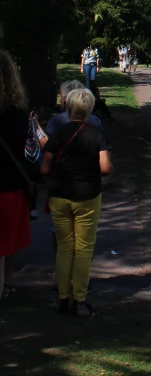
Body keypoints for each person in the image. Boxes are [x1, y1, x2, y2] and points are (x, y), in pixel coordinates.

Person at [41, 88, 113, 317]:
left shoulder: (59, 133)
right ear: (90, 108)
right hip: (88, 196)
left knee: (64, 248)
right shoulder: (96, 133)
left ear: (68, 107)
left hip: (60, 194)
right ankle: (79, 299)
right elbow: (105, 168)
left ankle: (63, 297)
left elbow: (45, 167)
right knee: (83, 249)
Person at [0, 50, 31, 300]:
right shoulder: (18, 114)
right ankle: (5, 282)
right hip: (9, 182)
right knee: (7, 240)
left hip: (9, 181)